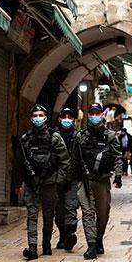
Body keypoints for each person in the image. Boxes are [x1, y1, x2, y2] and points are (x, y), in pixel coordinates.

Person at [15, 104, 70, 260]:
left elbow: (65, 161)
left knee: (48, 215)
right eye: (35, 115)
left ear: (45, 118)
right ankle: (32, 246)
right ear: (31, 118)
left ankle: (46, 244)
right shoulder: (25, 139)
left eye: (41, 115)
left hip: (50, 183)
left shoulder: (54, 137)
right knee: (32, 214)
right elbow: (19, 163)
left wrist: (58, 180)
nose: (38, 118)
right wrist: (17, 184)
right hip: (31, 183)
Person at [69, 103, 123, 259]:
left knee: (103, 214)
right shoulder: (80, 136)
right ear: (88, 115)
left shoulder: (110, 136)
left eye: (97, 112)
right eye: (92, 113)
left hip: (102, 180)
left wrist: (118, 176)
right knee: (87, 213)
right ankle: (91, 245)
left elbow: (117, 157)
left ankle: (99, 239)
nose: (94, 115)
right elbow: (74, 159)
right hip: (85, 180)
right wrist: (70, 181)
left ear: (102, 114)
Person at [54, 107, 79, 251]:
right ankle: (62, 234)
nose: (67, 119)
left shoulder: (78, 137)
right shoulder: (54, 136)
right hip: (57, 178)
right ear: (59, 118)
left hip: (73, 179)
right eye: (64, 116)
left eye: (70, 117)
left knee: (71, 206)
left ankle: (70, 233)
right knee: (59, 210)